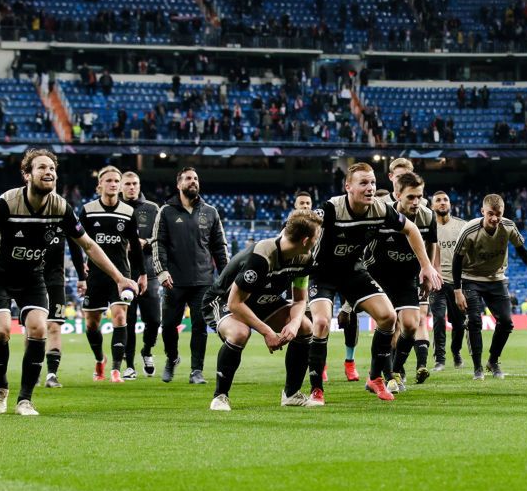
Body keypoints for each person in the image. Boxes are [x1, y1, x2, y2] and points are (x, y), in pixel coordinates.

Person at [0, 149, 138, 416]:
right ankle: (0, 388)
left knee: (39, 329)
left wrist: (120, 277)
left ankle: (25, 399)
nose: (49, 172)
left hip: (33, 276)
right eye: (42, 167)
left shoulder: (60, 206)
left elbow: (88, 245)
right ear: (27, 174)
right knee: (1, 331)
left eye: (52, 168)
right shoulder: (7, 202)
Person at [307, 162, 442, 405]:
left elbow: (411, 229)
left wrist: (426, 266)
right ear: (348, 186)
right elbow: (302, 225)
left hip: (352, 271)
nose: (370, 188)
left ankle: (375, 377)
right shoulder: (331, 208)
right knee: (321, 321)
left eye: (373, 183)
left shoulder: (380, 209)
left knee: (388, 317)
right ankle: (316, 389)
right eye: (364, 183)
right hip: (323, 273)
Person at [203, 210, 323, 410]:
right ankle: (220, 396)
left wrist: (293, 324)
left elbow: (300, 299)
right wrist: (268, 332)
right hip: (223, 299)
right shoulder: (262, 256)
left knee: (304, 326)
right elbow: (235, 303)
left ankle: (291, 394)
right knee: (240, 333)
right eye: (317, 236)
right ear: (305, 240)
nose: (317, 241)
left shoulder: (304, 258)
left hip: (261, 300)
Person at [151, 167, 229, 384]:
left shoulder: (210, 212)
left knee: (199, 327)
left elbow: (220, 247)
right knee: (168, 326)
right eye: (188, 178)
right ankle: (172, 357)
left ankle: (197, 370)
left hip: (203, 281)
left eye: (195, 178)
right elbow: (158, 244)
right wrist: (162, 271)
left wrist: (226, 277)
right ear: (179, 184)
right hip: (172, 281)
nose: (193, 181)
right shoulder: (165, 211)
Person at [453, 194, 527, 380]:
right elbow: (457, 259)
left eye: (498, 214)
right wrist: (457, 290)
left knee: (507, 322)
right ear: (482, 212)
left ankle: (493, 361)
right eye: (490, 214)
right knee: (475, 322)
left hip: (496, 278)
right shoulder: (469, 230)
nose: (495, 218)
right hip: (471, 278)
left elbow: (521, 249)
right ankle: (477, 367)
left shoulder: (508, 226)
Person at [364, 171, 438, 391]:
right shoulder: (382, 217)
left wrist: (428, 271)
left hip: (407, 277)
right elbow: (366, 251)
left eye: (419, 196)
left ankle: (394, 370)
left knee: (410, 325)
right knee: (388, 325)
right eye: (410, 197)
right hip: (381, 277)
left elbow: (431, 244)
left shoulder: (428, 217)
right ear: (397, 194)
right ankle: (384, 376)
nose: (416, 202)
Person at [79, 167, 147, 384]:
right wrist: (81, 264)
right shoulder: (88, 211)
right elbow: (77, 239)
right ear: (99, 185)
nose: (113, 184)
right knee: (91, 323)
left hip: (121, 275)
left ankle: (116, 370)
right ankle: (100, 359)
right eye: (108, 180)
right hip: (95, 275)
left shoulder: (127, 212)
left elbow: (135, 246)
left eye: (116, 181)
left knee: (120, 317)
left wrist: (143, 274)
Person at [42, 201, 86, 389]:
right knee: (31, 330)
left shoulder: (63, 212)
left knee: (54, 326)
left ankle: (52, 374)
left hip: (55, 279)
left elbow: (76, 246)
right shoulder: (25, 212)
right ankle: (33, 371)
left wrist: (82, 277)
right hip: (29, 278)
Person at [122, 171, 162, 378]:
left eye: (134, 183)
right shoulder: (116, 208)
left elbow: (161, 234)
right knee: (127, 320)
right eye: (127, 183)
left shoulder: (152, 208)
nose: (131, 187)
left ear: (139, 185)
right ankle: (129, 365)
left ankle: (147, 350)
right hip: (124, 271)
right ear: (121, 186)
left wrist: (146, 242)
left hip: (149, 270)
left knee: (154, 319)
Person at [430, 191, 468, 371]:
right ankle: (439, 358)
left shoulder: (462, 226)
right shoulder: (428, 227)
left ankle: (456, 351)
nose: (442, 203)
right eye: (438, 200)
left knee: (459, 323)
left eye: (445, 200)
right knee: (438, 319)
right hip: (437, 281)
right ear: (432, 206)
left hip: (458, 282)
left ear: (450, 204)